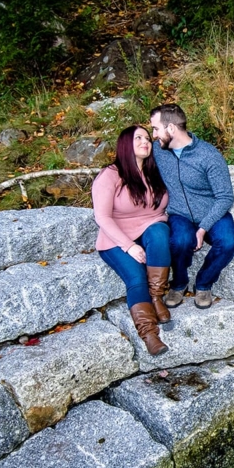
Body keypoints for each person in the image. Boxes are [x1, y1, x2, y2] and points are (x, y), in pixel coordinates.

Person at [149, 103, 234, 310]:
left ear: (171, 129)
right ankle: (179, 283)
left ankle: (204, 283)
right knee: (180, 241)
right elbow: (132, 160)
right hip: (179, 213)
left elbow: (225, 197)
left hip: (211, 211)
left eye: (156, 129)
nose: (154, 135)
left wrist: (203, 228)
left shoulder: (208, 155)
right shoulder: (158, 151)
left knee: (228, 242)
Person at [92, 125, 171, 356]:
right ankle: (149, 334)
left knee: (159, 233)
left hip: (150, 228)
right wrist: (130, 246)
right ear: (126, 143)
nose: (145, 142)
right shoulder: (110, 175)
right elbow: (102, 217)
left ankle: (157, 297)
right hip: (116, 237)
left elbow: (162, 207)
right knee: (136, 277)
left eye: (147, 138)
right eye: (139, 138)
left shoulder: (154, 170)